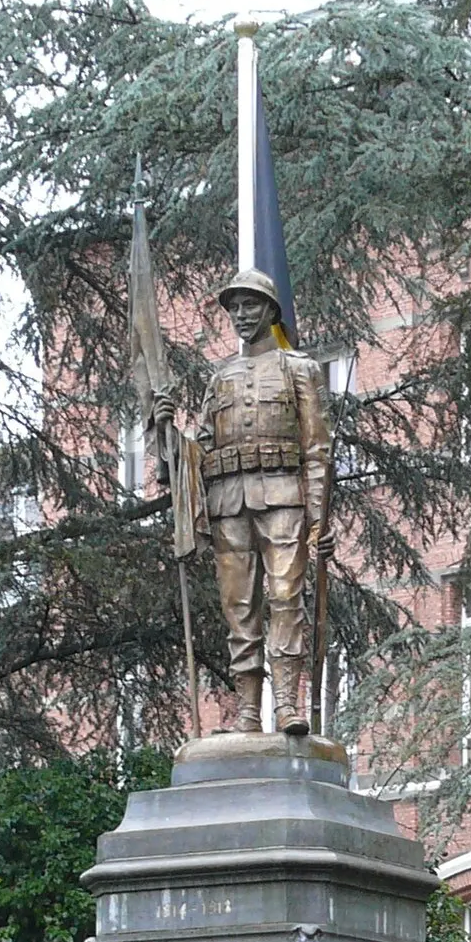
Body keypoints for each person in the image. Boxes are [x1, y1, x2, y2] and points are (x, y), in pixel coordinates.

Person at [163, 267, 332, 735]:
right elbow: (195, 453)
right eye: (234, 307)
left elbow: (317, 449)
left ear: (270, 310)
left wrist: (318, 519)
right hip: (228, 504)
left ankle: (286, 708)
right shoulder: (218, 379)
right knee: (238, 609)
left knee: (285, 599)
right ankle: (247, 713)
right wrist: (166, 433)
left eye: (249, 305)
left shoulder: (301, 369)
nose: (240, 314)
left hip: (283, 499)